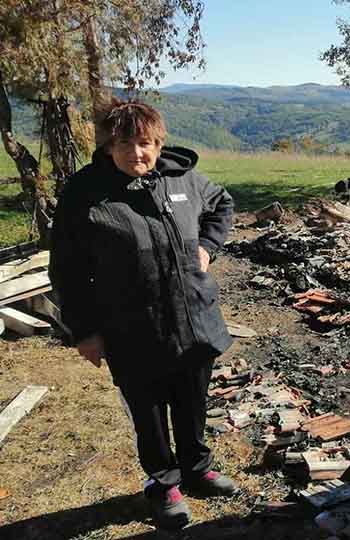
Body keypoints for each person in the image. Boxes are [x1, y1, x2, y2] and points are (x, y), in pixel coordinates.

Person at [49, 100, 238, 529]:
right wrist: (85, 331)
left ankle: (197, 468)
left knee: (192, 402)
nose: (138, 153)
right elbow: (67, 270)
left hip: (194, 318)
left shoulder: (183, 178)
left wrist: (207, 247)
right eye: (127, 144)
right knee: (149, 411)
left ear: (159, 144)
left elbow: (222, 203)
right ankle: (163, 483)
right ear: (109, 146)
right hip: (131, 327)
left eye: (147, 143)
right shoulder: (85, 194)